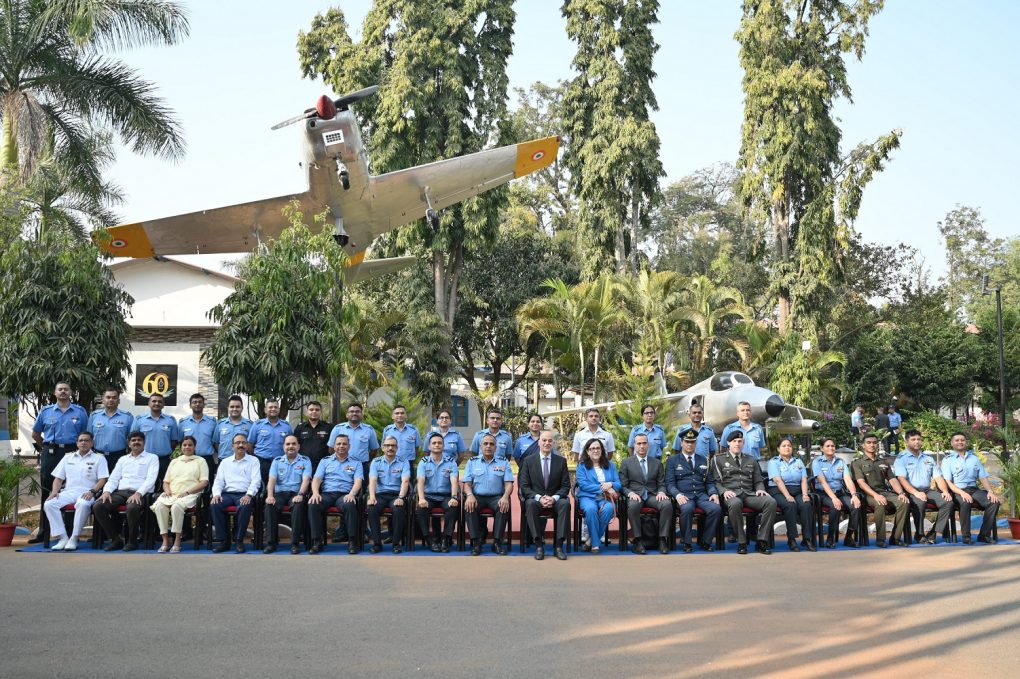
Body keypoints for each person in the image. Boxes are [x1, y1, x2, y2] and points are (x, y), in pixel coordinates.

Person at [30, 382, 88, 544]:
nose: (63, 391)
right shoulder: (46, 411)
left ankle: (69, 532)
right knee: (47, 492)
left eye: (66, 389)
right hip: (51, 453)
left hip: (72, 452)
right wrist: (46, 447)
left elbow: (86, 434)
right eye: (60, 389)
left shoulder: (80, 412)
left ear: (71, 392)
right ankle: (43, 532)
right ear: (55, 392)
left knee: (71, 489)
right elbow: (35, 434)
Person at [711, 430, 776, 554]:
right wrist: (724, 491)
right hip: (730, 495)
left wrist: (760, 489)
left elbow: (758, 480)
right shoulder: (718, 459)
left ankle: (761, 540)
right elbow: (715, 481)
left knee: (770, 502)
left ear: (743, 443)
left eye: (740, 441)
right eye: (734, 441)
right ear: (728, 443)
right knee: (735, 504)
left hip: (749, 494)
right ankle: (742, 542)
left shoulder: (751, 459)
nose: (737, 444)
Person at [43, 431, 108, 551]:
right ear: (77, 443)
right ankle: (63, 538)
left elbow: (103, 479)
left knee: (82, 504)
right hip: (68, 492)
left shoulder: (99, 458)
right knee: (49, 504)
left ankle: (74, 538)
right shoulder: (68, 457)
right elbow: (58, 479)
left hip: (87, 492)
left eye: (86, 440)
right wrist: (54, 491)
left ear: (92, 443)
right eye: (81, 440)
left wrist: (92, 492)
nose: (83, 443)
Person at [93, 431, 159, 551]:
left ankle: (132, 541)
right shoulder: (123, 459)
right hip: (121, 492)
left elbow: (151, 479)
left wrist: (138, 493)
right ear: (129, 444)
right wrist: (106, 492)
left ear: (144, 443)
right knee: (98, 506)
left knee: (132, 508)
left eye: (139, 440)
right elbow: (113, 478)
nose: (136, 442)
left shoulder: (152, 458)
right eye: (133, 440)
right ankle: (115, 539)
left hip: (140, 493)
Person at [666, 429, 722, 552]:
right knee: (687, 509)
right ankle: (687, 542)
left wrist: (713, 493)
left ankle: (705, 541)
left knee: (716, 509)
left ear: (696, 443)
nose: (689, 444)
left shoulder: (704, 460)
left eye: (692, 442)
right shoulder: (672, 461)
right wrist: (677, 495)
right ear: (681, 443)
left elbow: (709, 482)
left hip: (701, 495)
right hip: (684, 495)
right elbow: (669, 484)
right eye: (687, 442)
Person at [150, 435, 209, 553]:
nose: (187, 447)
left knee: (176, 506)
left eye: (190, 445)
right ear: (181, 447)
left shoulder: (201, 461)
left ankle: (177, 540)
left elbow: (204, 482)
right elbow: (166, 482)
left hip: (190, 494)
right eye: (184, 445)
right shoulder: (174, 461)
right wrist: (167, 491)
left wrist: (187, 492)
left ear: (194, 447)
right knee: (160, 506)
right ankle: (165, 540)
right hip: (172, 493)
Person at [894, 429, 952, 544]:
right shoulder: (901, 458)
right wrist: (916, 493)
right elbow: (901, 479)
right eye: (913, 439)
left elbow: (938, 477)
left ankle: (933, 532)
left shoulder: (928, 458)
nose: (917, 442)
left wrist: (945, 491)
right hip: (910, 491)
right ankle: (919, 534)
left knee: (947, 502)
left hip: (927, 490)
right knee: (920, 502)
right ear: (907, 442)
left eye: (919, 439)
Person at [941, 432, 1001, 544]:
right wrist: (962, 493)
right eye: (957, 440)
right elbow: (948, 482)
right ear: (952, 443)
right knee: (965, 502)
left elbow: (982, 477)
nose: (960, 442)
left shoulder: (974, 458)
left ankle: (984, 535)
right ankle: (966, 536)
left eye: (962, 440)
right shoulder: (947, 460)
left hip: (974, 489)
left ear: (966, 442)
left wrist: (990, 491)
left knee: (994, 502)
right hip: (957, 490)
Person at [850, 433, 909, 547]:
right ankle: (881, 539)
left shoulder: (883, 461)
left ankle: (895, 538)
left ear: (877, 444)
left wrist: (901, 493)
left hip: (883, 492)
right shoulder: (857, 463)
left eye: (874, 442)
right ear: (863, 445)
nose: (872, 445)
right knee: (880, 503)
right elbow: (861, 483)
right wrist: (875, 495)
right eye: (868, 443)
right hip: (867, 494)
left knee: (904, 502)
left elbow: (892, 480)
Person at [519, 430, 570, 561]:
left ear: (553, 443)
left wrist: (554, 498)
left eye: (550, 441)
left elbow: (565, 486)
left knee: (565, 504)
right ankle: (539, 546)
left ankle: (558, 547)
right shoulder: (528, 461)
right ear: (538, 443)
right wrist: (539, 498)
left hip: (555, 499)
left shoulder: (561, 461)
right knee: (530, 504)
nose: (547, 443)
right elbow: (524, 486)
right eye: (544, 440)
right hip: (536, 499)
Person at [308, 434, 363, 555]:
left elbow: (358, 481)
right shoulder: (325, 461)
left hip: (345, 494)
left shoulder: (356, 462)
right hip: (327, 494)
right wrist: (315, 493)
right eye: (338, 444)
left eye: (344, 444)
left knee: (349, 505)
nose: (341, 446)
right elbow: (317, 479)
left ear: (349, 446)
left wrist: (352, 494)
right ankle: (317, 541)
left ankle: (352, 541)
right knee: (313, 504)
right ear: (334, 446)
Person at [619, 433, 672, 554]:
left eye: (644, 443)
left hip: (653, 495)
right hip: (635, 495)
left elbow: (662, 483)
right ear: (634, 445)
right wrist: (630, 493)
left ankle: (662, 539)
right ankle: (638, 541)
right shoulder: (626, 463)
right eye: (639, 443)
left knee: (667, 504)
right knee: (633, 506)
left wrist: (661, 492)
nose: (642, 446)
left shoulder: (657, 463)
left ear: (648, 445)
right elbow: (622, 485)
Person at [209, 433, 262, 553]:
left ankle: (239, 540)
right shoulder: (225, 462)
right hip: (227, 494)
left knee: (245, 505)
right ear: (232, 446)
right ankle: (224, 541)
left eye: (243, 442)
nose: (240, 445)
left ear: (247, 445)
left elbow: (256, 480)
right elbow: (218, 481)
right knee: (215, 504)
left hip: (244, 494)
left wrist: (249, 495)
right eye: (238, 443)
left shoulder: (253, 461)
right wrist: (216, 494)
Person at [463, 434, 514, 555]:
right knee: (469, 506)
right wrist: (469, 495)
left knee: (503, 506)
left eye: (491, 444)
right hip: (477, 497)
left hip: (496, 497)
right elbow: (466, 484)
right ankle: (476, 542)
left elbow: (509, 484)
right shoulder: (472, 462)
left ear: (496, 447)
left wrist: (505, 497)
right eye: (485, 444)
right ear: (480, 446)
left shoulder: (503, 462)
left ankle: (497, 542)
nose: (488, 446)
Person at [263, 434, 312, 554]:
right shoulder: (277, 461)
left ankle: (295, 543)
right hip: (280, 493)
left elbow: (306, 480)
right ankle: (271, 543)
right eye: (288, 444)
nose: (291, 446)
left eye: (293, 444)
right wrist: (270, 496)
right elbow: (272, 480)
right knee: (269, 506)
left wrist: (300, 494)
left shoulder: (305, 461)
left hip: (296, 493)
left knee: (298, 506)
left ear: (298, 446)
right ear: (283, 446)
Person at [767, 438, 816, 552]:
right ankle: (792, 539)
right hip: (779, 490)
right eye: (784, 446)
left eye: (789, 445)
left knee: (806, 505)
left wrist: (805, 494)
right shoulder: (774, 462)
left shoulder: (798, 461)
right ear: (778, 449)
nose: (787, 448)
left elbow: (804, 479)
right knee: (790, 505)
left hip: (797, 490)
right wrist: (787, 496)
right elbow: (778, 480)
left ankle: (807, 539)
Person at [812, 437, 862, 548]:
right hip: (823, 494)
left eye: (832, 446)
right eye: (827, 446)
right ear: (822, 448)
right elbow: (823, 482)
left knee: (855, 505)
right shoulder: (817, 462)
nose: (831, 448)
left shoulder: (841, 461)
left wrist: (854, 495)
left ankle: (848, 537)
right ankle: (830, 538)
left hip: (840, 493)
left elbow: (848, 479)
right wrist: (834, 498)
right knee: (835, 506)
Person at [415, 432, 460, 552]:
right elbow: (420, 481)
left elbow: (454, 481)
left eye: (439, 443)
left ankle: (446, 539)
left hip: (445, 496)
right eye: (434, 443)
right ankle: (429, 540)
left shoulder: (451, 462)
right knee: (421, 510)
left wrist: (454, 497)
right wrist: (421, 498)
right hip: (429, 496)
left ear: (443, 446)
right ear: (429, 446)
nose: (437, 445)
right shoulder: (423, 462)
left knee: (453, 508)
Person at [574, 438, 620, 554]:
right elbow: (583, 485)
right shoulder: (581, 466)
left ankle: (591, 540)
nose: (595, 450)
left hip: (605, 498)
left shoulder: (610, 465)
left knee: (609, 508)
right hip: (587, 497)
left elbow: (618, 484)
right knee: (591, 509)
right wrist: (603, 487)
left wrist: (610, 484)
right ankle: (595, 544)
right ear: (587, 451)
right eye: (592, 448)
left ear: (602, 450)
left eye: (598, 448)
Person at [366, 436, 411, 553]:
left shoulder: (404, 462)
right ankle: (377, 543)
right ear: (382, 447)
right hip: (380, 495)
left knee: (399, 508)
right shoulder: (376, 462)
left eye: (393, 446)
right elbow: (373, 480)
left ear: (397, 448)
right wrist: (372, 497)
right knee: (372, 508)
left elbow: (405, 481)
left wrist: (401, 497)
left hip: (396, 495)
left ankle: (396, 543)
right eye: (387, 445)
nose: (390, 448)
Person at [130, 392, 180, 485]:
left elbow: (174, 441)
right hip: (144, 460)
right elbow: (132, 439)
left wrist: (165, 451)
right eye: (154, 401)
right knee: (142, 486)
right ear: (149, 403)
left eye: (160, 401)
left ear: (163, 404)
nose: (157, 403)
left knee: (163, 486)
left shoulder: (170, 420)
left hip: (163, 461)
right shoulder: (139, 419)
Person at [247, 397, 293, 486]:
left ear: (279, 409)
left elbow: (291, 443)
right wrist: (256, 458)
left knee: (279, 487)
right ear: (265, 410)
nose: (273, 409)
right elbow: (249, 444)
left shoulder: (286, 426)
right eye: (270, 407)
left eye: (275, 407)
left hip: (280, 462)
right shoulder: (257, 425)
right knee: (260, 486)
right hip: (261, 462)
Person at [328, 402, 380, 481]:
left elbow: (374, 450)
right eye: (351, 411)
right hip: (341, 466)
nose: (354, 413)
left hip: (362, 466)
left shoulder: (369, 430)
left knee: (361, 488)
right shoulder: (338, 428)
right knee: (342, 487)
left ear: (361, 414)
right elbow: (331, 449)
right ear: (347, 415)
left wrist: (365, 461)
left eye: (357, 411)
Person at [87, 388, 133, 473]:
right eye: (108, 397)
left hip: (119, 456)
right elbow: (88, 437)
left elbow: (131, 438)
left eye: (114, 397)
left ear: (119, 401)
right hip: (98, 456)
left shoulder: (127, 417)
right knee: (98, 480)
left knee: (117, 480)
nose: (111, 400)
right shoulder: (94, 416)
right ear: (103, 400)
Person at [177, 393, 217, 478]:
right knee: (189, 483)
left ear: (204, 405)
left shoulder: (212, 422)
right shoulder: (183, 422)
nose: (197, 404)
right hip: (189, 460)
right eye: (194, 402)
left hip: (207, 460)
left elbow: (215, 442)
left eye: (200, 402)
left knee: (208, 484)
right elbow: (180, 441)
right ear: (190, 405)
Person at [211, 394, 253, 468]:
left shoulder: (249, 425)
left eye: (237, 407)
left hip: (243, 461)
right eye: (232, 407)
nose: (234, 409)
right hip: (224, 461)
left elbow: (251, 444)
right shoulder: (220, 424)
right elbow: (216, 443)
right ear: (228, 408)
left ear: (242, 408)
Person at [293, 401, 333, 472]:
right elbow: (295, 445)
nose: (314, 411)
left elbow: (332, 447)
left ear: (321, 412)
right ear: (307, 412)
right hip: (303, 466)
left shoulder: (328, 427)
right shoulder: (300, 428)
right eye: (311, 409)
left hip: (323, 466)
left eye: (317, 410)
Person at [383, 404, 422, 472]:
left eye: (402, 413)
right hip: (392, 464)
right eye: (397, 413)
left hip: (409, 464)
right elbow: (384, 448)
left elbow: (417, 448)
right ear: (392, 416)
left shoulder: (413, 430)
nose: (400, 415)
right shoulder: (387, 430)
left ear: (406, 416)